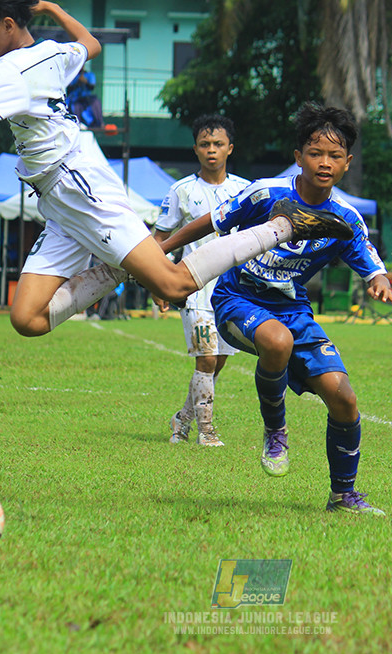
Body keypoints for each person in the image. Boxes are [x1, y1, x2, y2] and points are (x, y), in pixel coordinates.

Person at [0, 0, 352, 340]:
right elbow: (91, 44)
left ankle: (282, 225)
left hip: (78, 185)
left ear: (7, 24)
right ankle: (117, 266)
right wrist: (52, 10)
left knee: (174, 286)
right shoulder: (50, 53)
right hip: (59, 200)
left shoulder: (8, 69)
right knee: (27, 319)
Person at [159, 103, 392, 517]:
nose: (325, 163)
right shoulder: (267, 193)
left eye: (335, 156)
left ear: (347, 163)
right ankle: (275, 429)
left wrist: (379, 281)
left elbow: (370, 261)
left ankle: (342, 496)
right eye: (316, 153)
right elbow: (212, 221)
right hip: (237, 298)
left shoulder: (344, 218)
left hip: (293, 309)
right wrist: (160, 253)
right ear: (298, 157)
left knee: (344, 399)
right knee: (277, 341)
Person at [152, 115, 250, 448]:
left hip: (233, 290)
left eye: (218, 144)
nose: (211, 150)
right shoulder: (181, 191)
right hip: (193, 286)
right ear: (195, 149)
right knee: (206, 358)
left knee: (217, 361)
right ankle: (206, 431)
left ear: (230, 148)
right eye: (205, 144)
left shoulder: (244, 190)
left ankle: (182, 419)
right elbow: (160, 239)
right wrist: (157, 282)